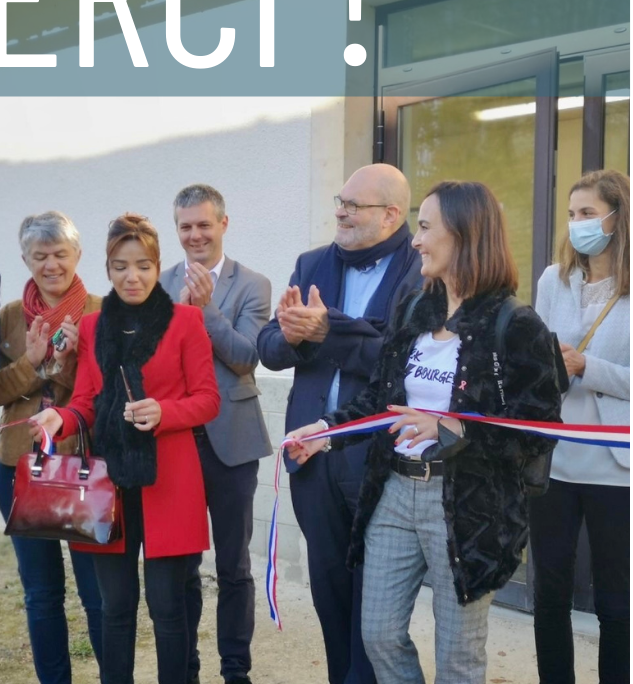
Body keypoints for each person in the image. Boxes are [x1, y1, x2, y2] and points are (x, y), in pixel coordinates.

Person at [286, 180, 563, 684]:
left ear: (465, 234)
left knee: (458, 658)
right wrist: (326, 429)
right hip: (393, 493)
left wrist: (451, 426)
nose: (415, 240)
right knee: (378, 636)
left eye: (428, 227)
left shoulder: (516, 323)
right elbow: (380, 399)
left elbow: (538, 432)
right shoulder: (414, 308)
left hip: (467, 507)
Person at [29, 213, 220, 684]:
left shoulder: (187, 321)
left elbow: (207, 400)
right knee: (115, 608)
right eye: (119, 267)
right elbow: (87, 402)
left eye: (142, 266)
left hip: (170, 481)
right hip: (107, 482)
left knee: (167, 607)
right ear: (108, 269)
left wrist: (164, 413)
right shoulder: (93, 326)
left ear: (158, 267)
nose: (131, 276)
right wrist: (61, 417)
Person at [256, 163, 420, 684]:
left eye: (354, 206)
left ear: (392, 214)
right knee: (329, 589)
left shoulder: (420, 269)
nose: (341, 213)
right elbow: (269, 349)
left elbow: (401, 359)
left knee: (377, 606)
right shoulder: (311, 264)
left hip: (377, 457)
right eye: (340, 201)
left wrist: (327, 331)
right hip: (311, 454)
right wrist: (293, 334)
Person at [0, 211, 103, 684]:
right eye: (40, 256)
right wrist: (32, 363)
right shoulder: (10, 316)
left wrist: (71, 364)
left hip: (82, 468)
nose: (51, 265)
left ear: (77, 255)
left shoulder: (100, 311)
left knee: (97, 593)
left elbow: (105, 393)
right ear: (25, 259)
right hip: (20, 468)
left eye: (60, 254)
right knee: (41, 594)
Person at [160, 185, 272, 684]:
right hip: (176, 441)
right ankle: (185, 667)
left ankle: (235, 669)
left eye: (204, 224)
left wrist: (204, 310)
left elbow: (247, 356)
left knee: (233, 565)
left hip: (232, 439)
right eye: (185, 226)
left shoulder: (253, 284)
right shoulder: (158, 284)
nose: (195, 235)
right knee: (181, 565)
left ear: (223, 224)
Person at [531, 169, 630, 684]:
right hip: (556, 463)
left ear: (619, 216)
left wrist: (586, 366)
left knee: (616, 604)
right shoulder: (554, 280)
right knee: (550, 594)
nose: (577, 225)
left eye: (587, 213)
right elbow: (536, 362)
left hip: (618, 469)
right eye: (571, 215)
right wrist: (548, 365)